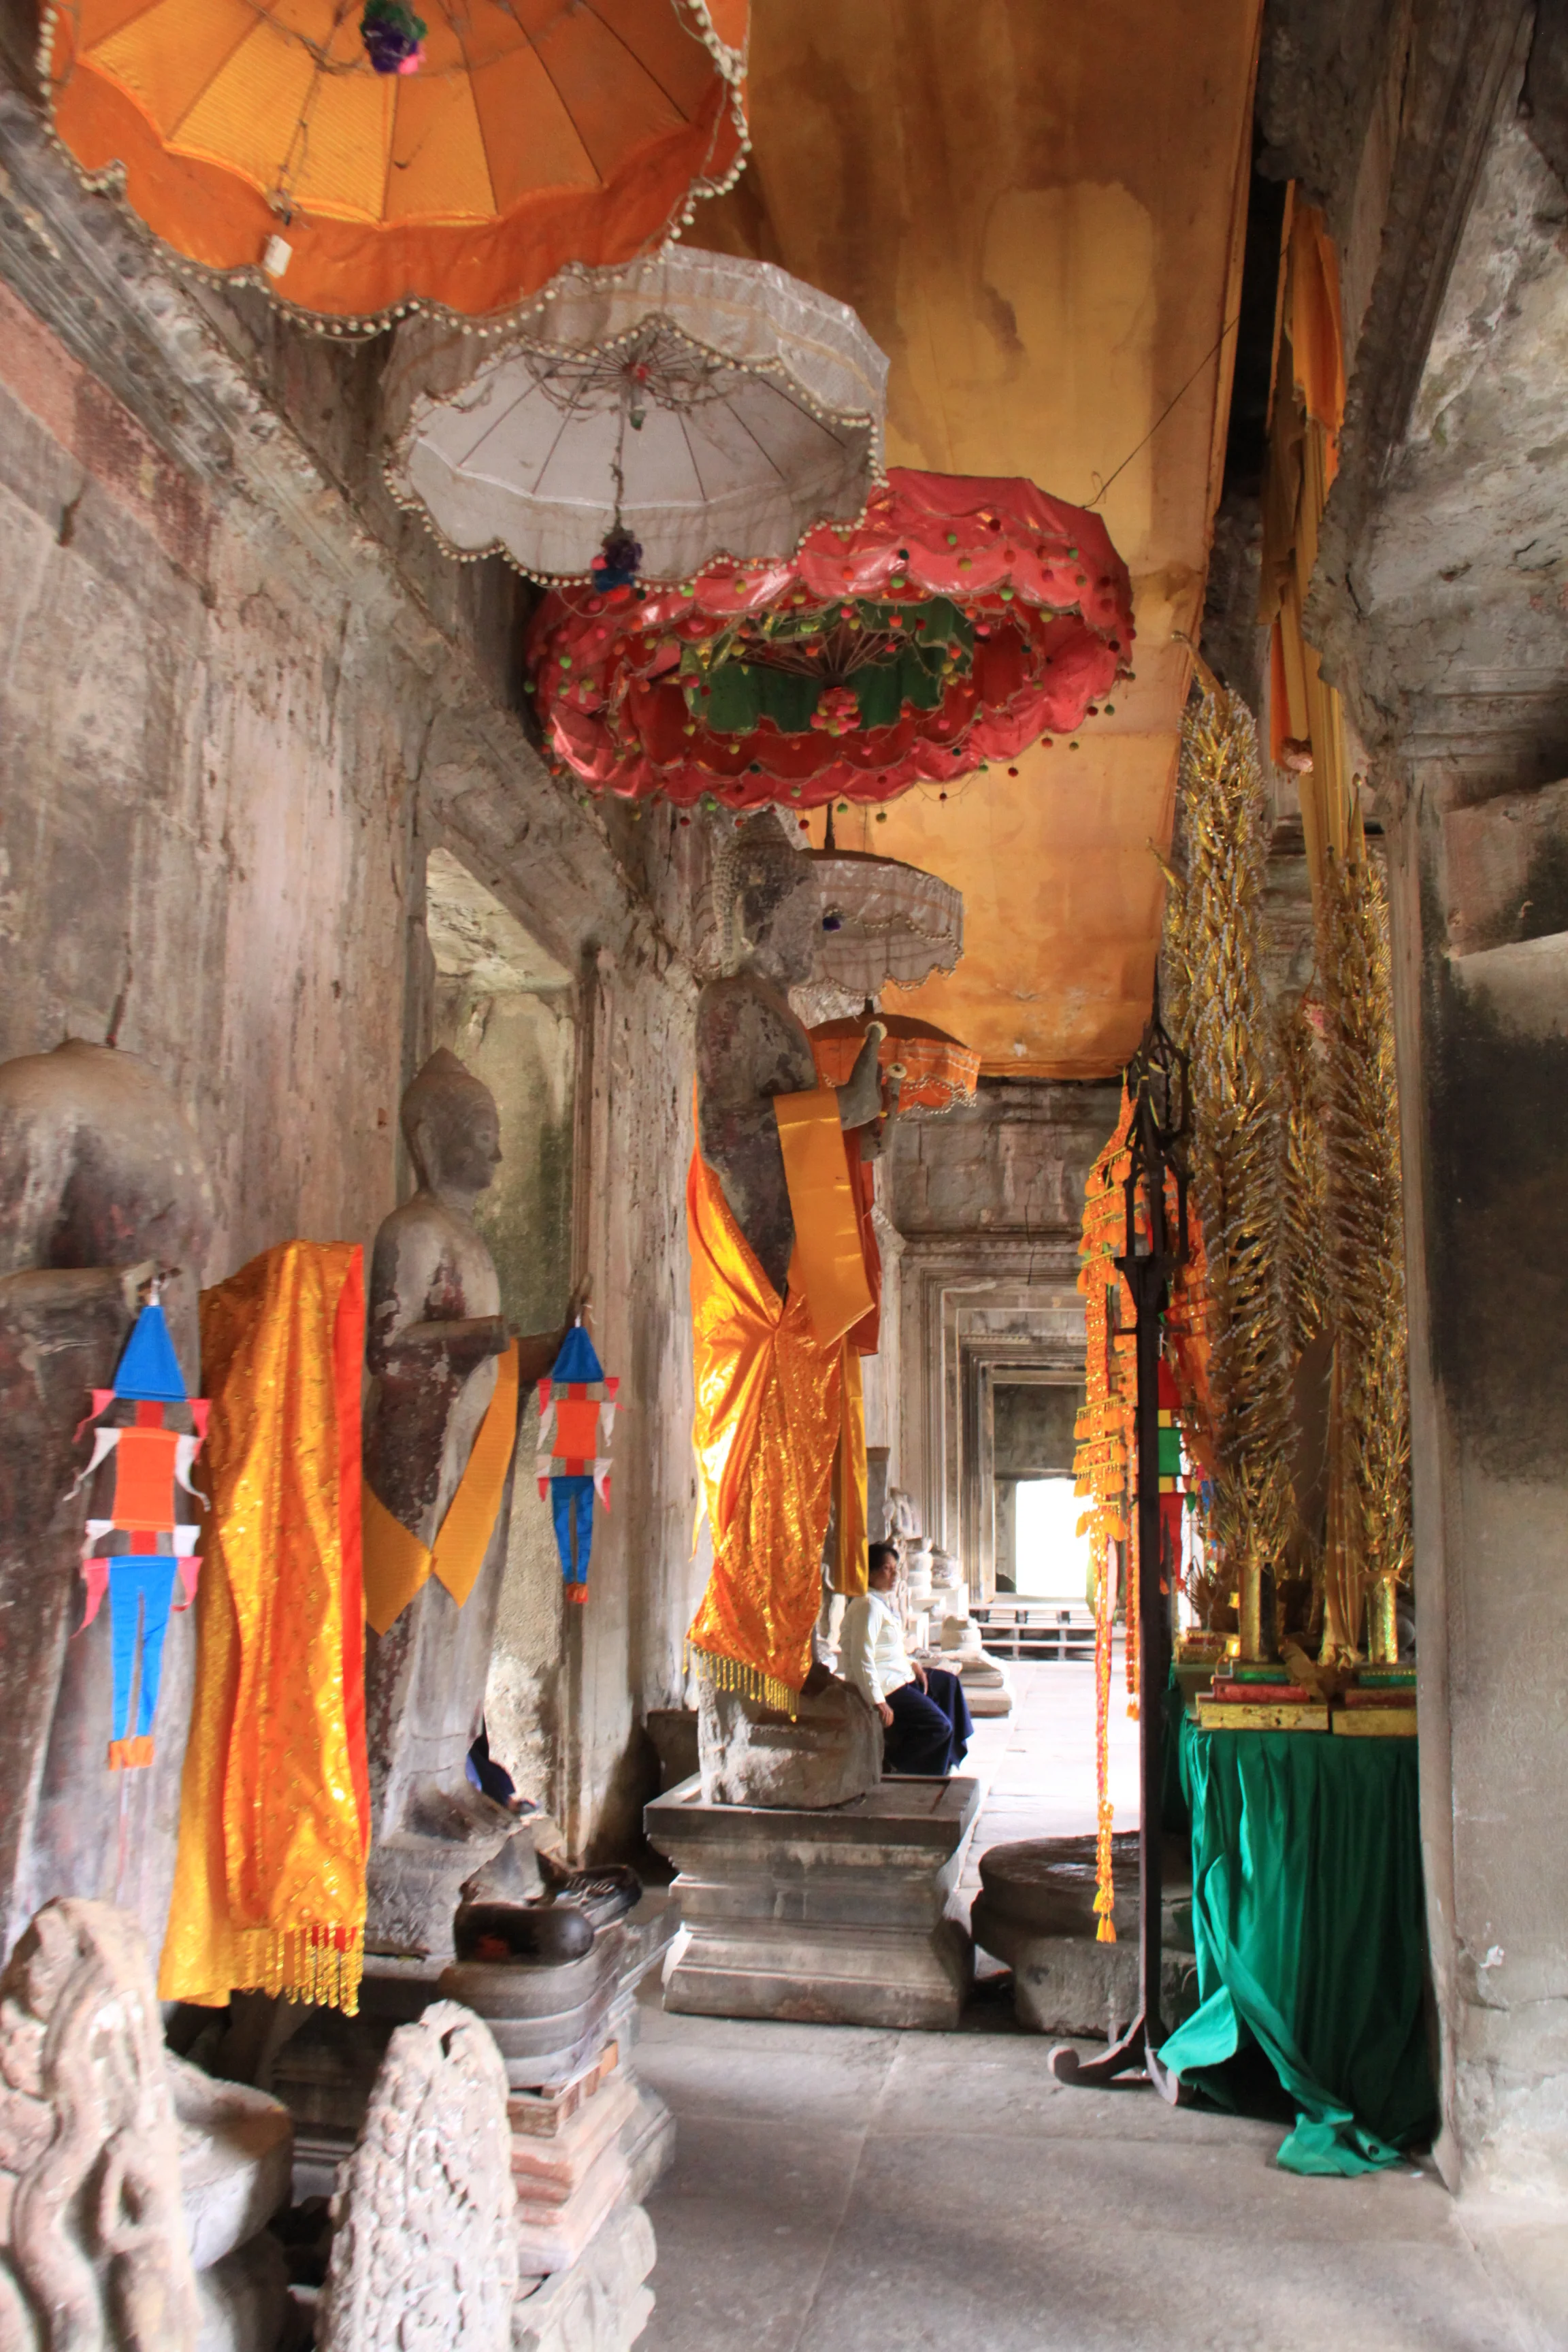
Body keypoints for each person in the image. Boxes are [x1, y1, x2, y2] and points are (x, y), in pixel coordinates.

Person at [839, 1541, 973, 1776]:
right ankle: (894, 1764)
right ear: (870, 1573)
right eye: (886, 1569)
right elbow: (863, 1657)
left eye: (895, 1569)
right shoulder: (867, 1606)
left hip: (899, 1674)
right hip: (887, 1685)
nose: (894, 1575)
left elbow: (890, 1647)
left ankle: (945, 1761)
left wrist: (913, 1664)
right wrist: (878, 1701)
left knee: (948, 1684)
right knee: (940, 1726)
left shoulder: (880, 1602)